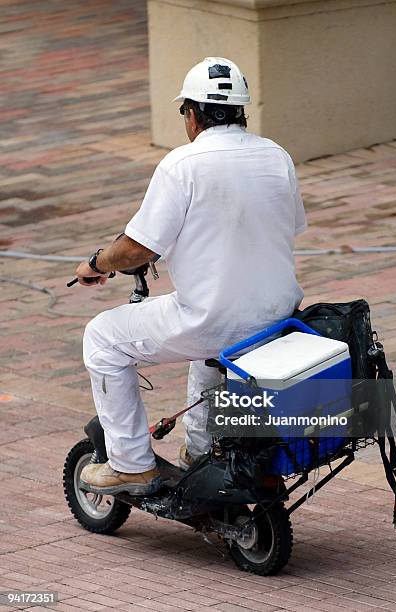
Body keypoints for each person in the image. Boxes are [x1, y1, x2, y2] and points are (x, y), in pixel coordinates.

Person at [78, 57, 307, 496]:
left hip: (214, 320)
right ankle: (200, 452)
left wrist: (95, 263)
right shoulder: (277, 156)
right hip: (280, 318)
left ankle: (130, 464)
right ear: (242, 112)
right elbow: (285, 226)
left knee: (103, 337)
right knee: (210, 350)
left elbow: (137, 248)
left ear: (192, 114)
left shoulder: (182, 164)